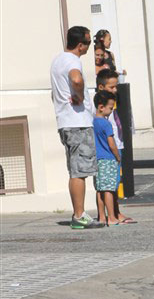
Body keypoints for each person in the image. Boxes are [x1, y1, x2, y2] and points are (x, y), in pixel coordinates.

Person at [50, 25, 102, 229]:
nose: (89, 46)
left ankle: (79, 214)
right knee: (79, 171)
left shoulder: (57, 61)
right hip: (77, 123)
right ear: (80, 45)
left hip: (66, 122)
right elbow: (76, 79)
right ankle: (79, 215)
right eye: (88, 43)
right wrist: (79, 95)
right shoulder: (72, 61)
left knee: (75, 169)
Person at [96, 69, 136, 224]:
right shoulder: (103, 108)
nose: (115, 90)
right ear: (101, 87)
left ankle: (111, 214)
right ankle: (113, 214)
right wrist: (116, 154)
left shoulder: (110, 104)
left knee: (109, 184)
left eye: (116, 86)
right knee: (111, 184)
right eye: (112, 87)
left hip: (115, 145)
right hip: (111, 151)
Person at [93, 90, 122, 225]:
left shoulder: (92, 122)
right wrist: (117, 156)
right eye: (110, 108)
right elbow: (111, 143)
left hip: (96, 159)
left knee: (99, 189)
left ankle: (101, 217)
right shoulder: (106, 123)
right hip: (108, 159)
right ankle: (111, 217)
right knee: (109, 189)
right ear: (101, 107)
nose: (111, 111)